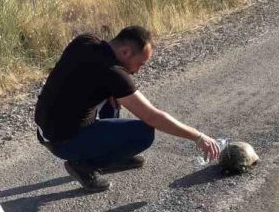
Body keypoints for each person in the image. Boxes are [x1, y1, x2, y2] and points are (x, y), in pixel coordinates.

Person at [34, 26, 222, 193]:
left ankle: (109, 154)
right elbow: (152, 116)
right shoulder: (113, 74)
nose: (139, 70)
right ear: (126, 52)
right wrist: (198, 137)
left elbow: (78, 75)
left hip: (45, 129)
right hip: (64, 141)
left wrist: (108, 90)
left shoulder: (85, 40)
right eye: (140, 63)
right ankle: (84, 165)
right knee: (144, 133)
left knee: (113, 96)